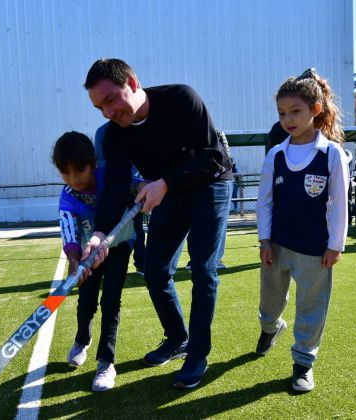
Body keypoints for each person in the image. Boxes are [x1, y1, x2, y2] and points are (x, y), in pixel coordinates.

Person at [82, 58, 233, 389]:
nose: (107, 113)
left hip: (211, 184)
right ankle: (178, 337)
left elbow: (213, 158)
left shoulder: (181, 98)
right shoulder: (114, 135)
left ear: (133, 84)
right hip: (169, 192)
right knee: (154, 270)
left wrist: (164, 182)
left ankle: (197, 353)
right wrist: (98, 233)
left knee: (203, 270)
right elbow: (115, 189)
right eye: (99, 108)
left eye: (110, 100)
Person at [256, 68, 349, 392]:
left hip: (315, 249)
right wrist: (264, 240)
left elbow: (339, 203)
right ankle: (270, 328)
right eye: (282, 113)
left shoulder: (332, 154)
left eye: (295, 111)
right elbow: (265, 202)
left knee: (311, 309)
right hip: (277, 246)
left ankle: (303, 364)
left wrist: (335, 245)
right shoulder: (276, 154)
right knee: (269, 305)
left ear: (315, 110)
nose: (288, 119)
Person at [53, 131, 137, 392]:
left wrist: (143, 187)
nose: (73, 179)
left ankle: (106, 362)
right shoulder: (68, 195)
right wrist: (75, 259)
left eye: (79, 170)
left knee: (111, 303)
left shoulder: (110, 178)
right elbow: (69, 231)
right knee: (86, 300)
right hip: (88, 256)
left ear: (93, 163)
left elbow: (136, 184)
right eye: (65, 173)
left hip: (119, 247)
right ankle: (82, 339)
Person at [95, 122, 146, 275]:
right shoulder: (103, 132)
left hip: (134, 189)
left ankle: (141, 262)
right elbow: (102, 164)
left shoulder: (138, 129)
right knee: (112, 228)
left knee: (136, 228)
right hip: (115, 188)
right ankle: (106, 266)